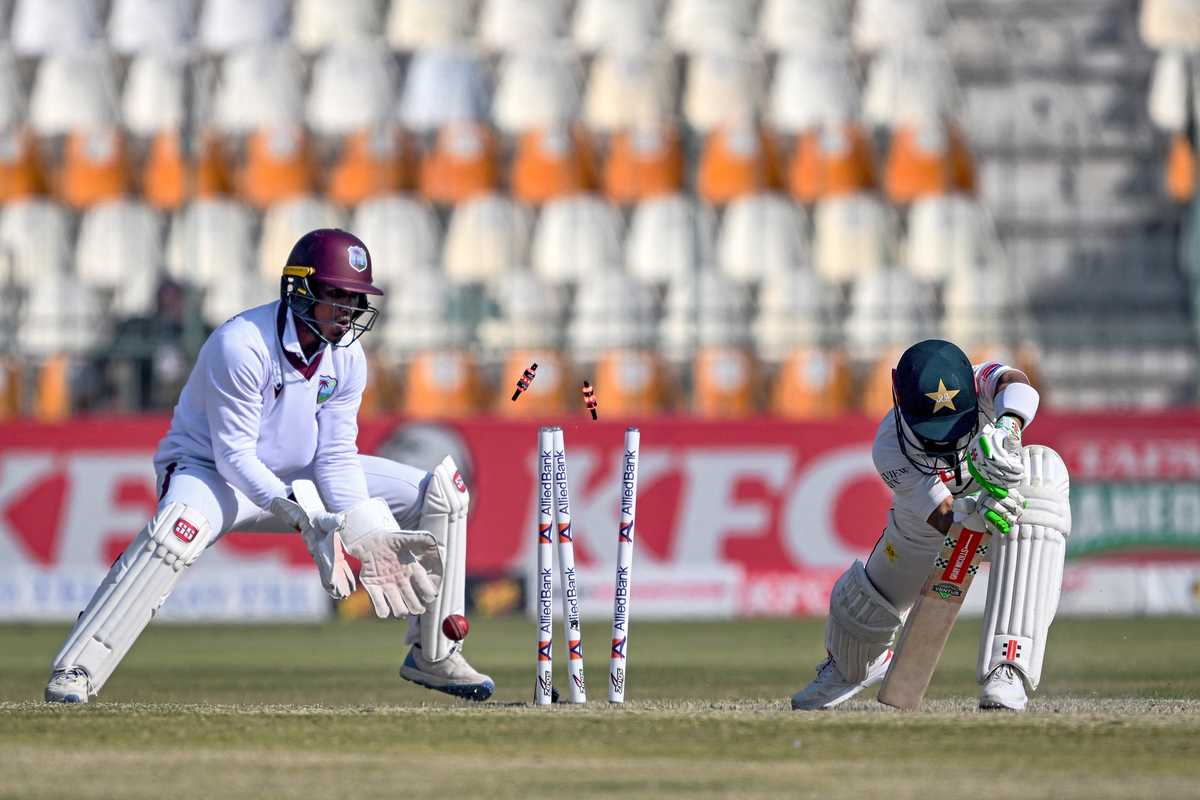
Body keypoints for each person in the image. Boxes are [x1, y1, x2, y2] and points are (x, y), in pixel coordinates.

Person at [44, 229, 493, 703]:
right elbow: (234, 456)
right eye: (335, 297)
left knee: (442, 492)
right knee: (177, 531)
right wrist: (302, 515)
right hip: (209, 472)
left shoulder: (348, 357)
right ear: (300, 291)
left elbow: (335, 456)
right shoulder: (241, 344)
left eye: (354, 300)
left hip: (301, 475)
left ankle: (435, 652)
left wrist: (368, 527)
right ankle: (77, 668)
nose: (346, 314)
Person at [791, 339, 1071, 712]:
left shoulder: (982, 380)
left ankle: (1008, 665)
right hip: (925, 528)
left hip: (1011, 514)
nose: (950, 444)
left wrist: (1009, 426)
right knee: (857, 617)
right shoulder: (889, 446)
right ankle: (851, 668)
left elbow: (1018, 383)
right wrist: (976, 511)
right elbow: (942, 516)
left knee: (1042, 473)